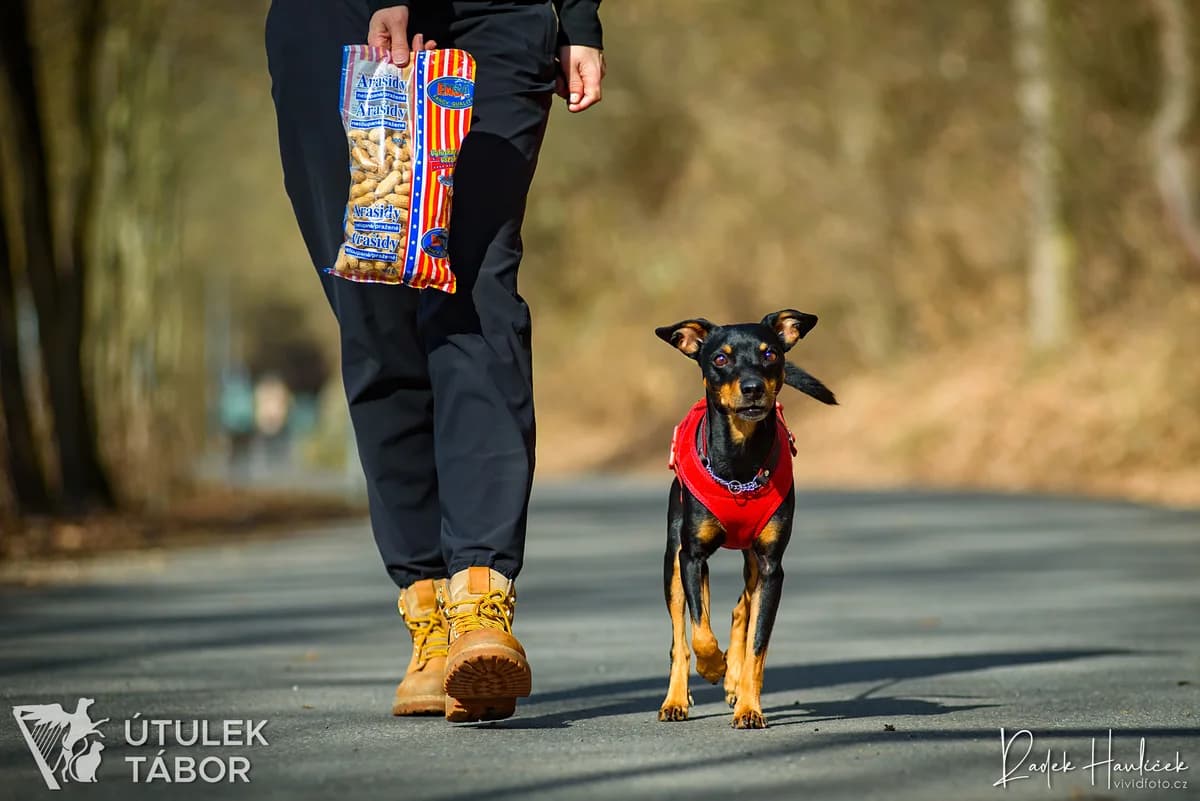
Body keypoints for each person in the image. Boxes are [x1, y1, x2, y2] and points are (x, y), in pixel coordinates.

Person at [265, 0, 604, 722]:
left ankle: (480, 599)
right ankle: (429, 617)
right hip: (335, 16)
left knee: (477, 291)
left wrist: (579, 16)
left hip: (497, 15)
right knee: (372, 302)